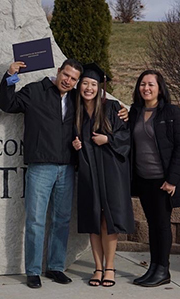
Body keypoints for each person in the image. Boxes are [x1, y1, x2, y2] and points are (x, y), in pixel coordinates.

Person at [0, 59, 128, 289]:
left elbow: (101, 103)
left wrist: (126, 111)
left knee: (62, 220)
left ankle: (55, 266)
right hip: (41, 166)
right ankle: (34, 271)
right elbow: (7, 104)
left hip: (67, 167)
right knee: (36, 220)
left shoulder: (77, 98)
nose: (68, 81)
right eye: (66, 75)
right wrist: (10, 76)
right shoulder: (36, 91)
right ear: (59, 72)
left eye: (74, 79)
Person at [72, 63, 134, 287]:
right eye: (85, 83)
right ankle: (97, 268)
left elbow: (127, 137)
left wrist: (108, 139)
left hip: (111, 173)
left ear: (100, 87)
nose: (89, 88)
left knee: (109, 220)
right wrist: (76, 145)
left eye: (93, 84)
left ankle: (110, 267)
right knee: (93, 220)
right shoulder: (76, 110)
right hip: (89, 173)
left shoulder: (113, 107)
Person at [129, 70, 180, 287]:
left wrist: (172, 180)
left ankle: (163, 270)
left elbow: (179, 147)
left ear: (160, 88)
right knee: (152, 223)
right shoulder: (135, 111)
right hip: (143, 178)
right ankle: (153, 267)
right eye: (142, 84)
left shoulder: (171, 112)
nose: (146, 88)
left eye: (151, 84)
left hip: (162, 180)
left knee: (161, 224)